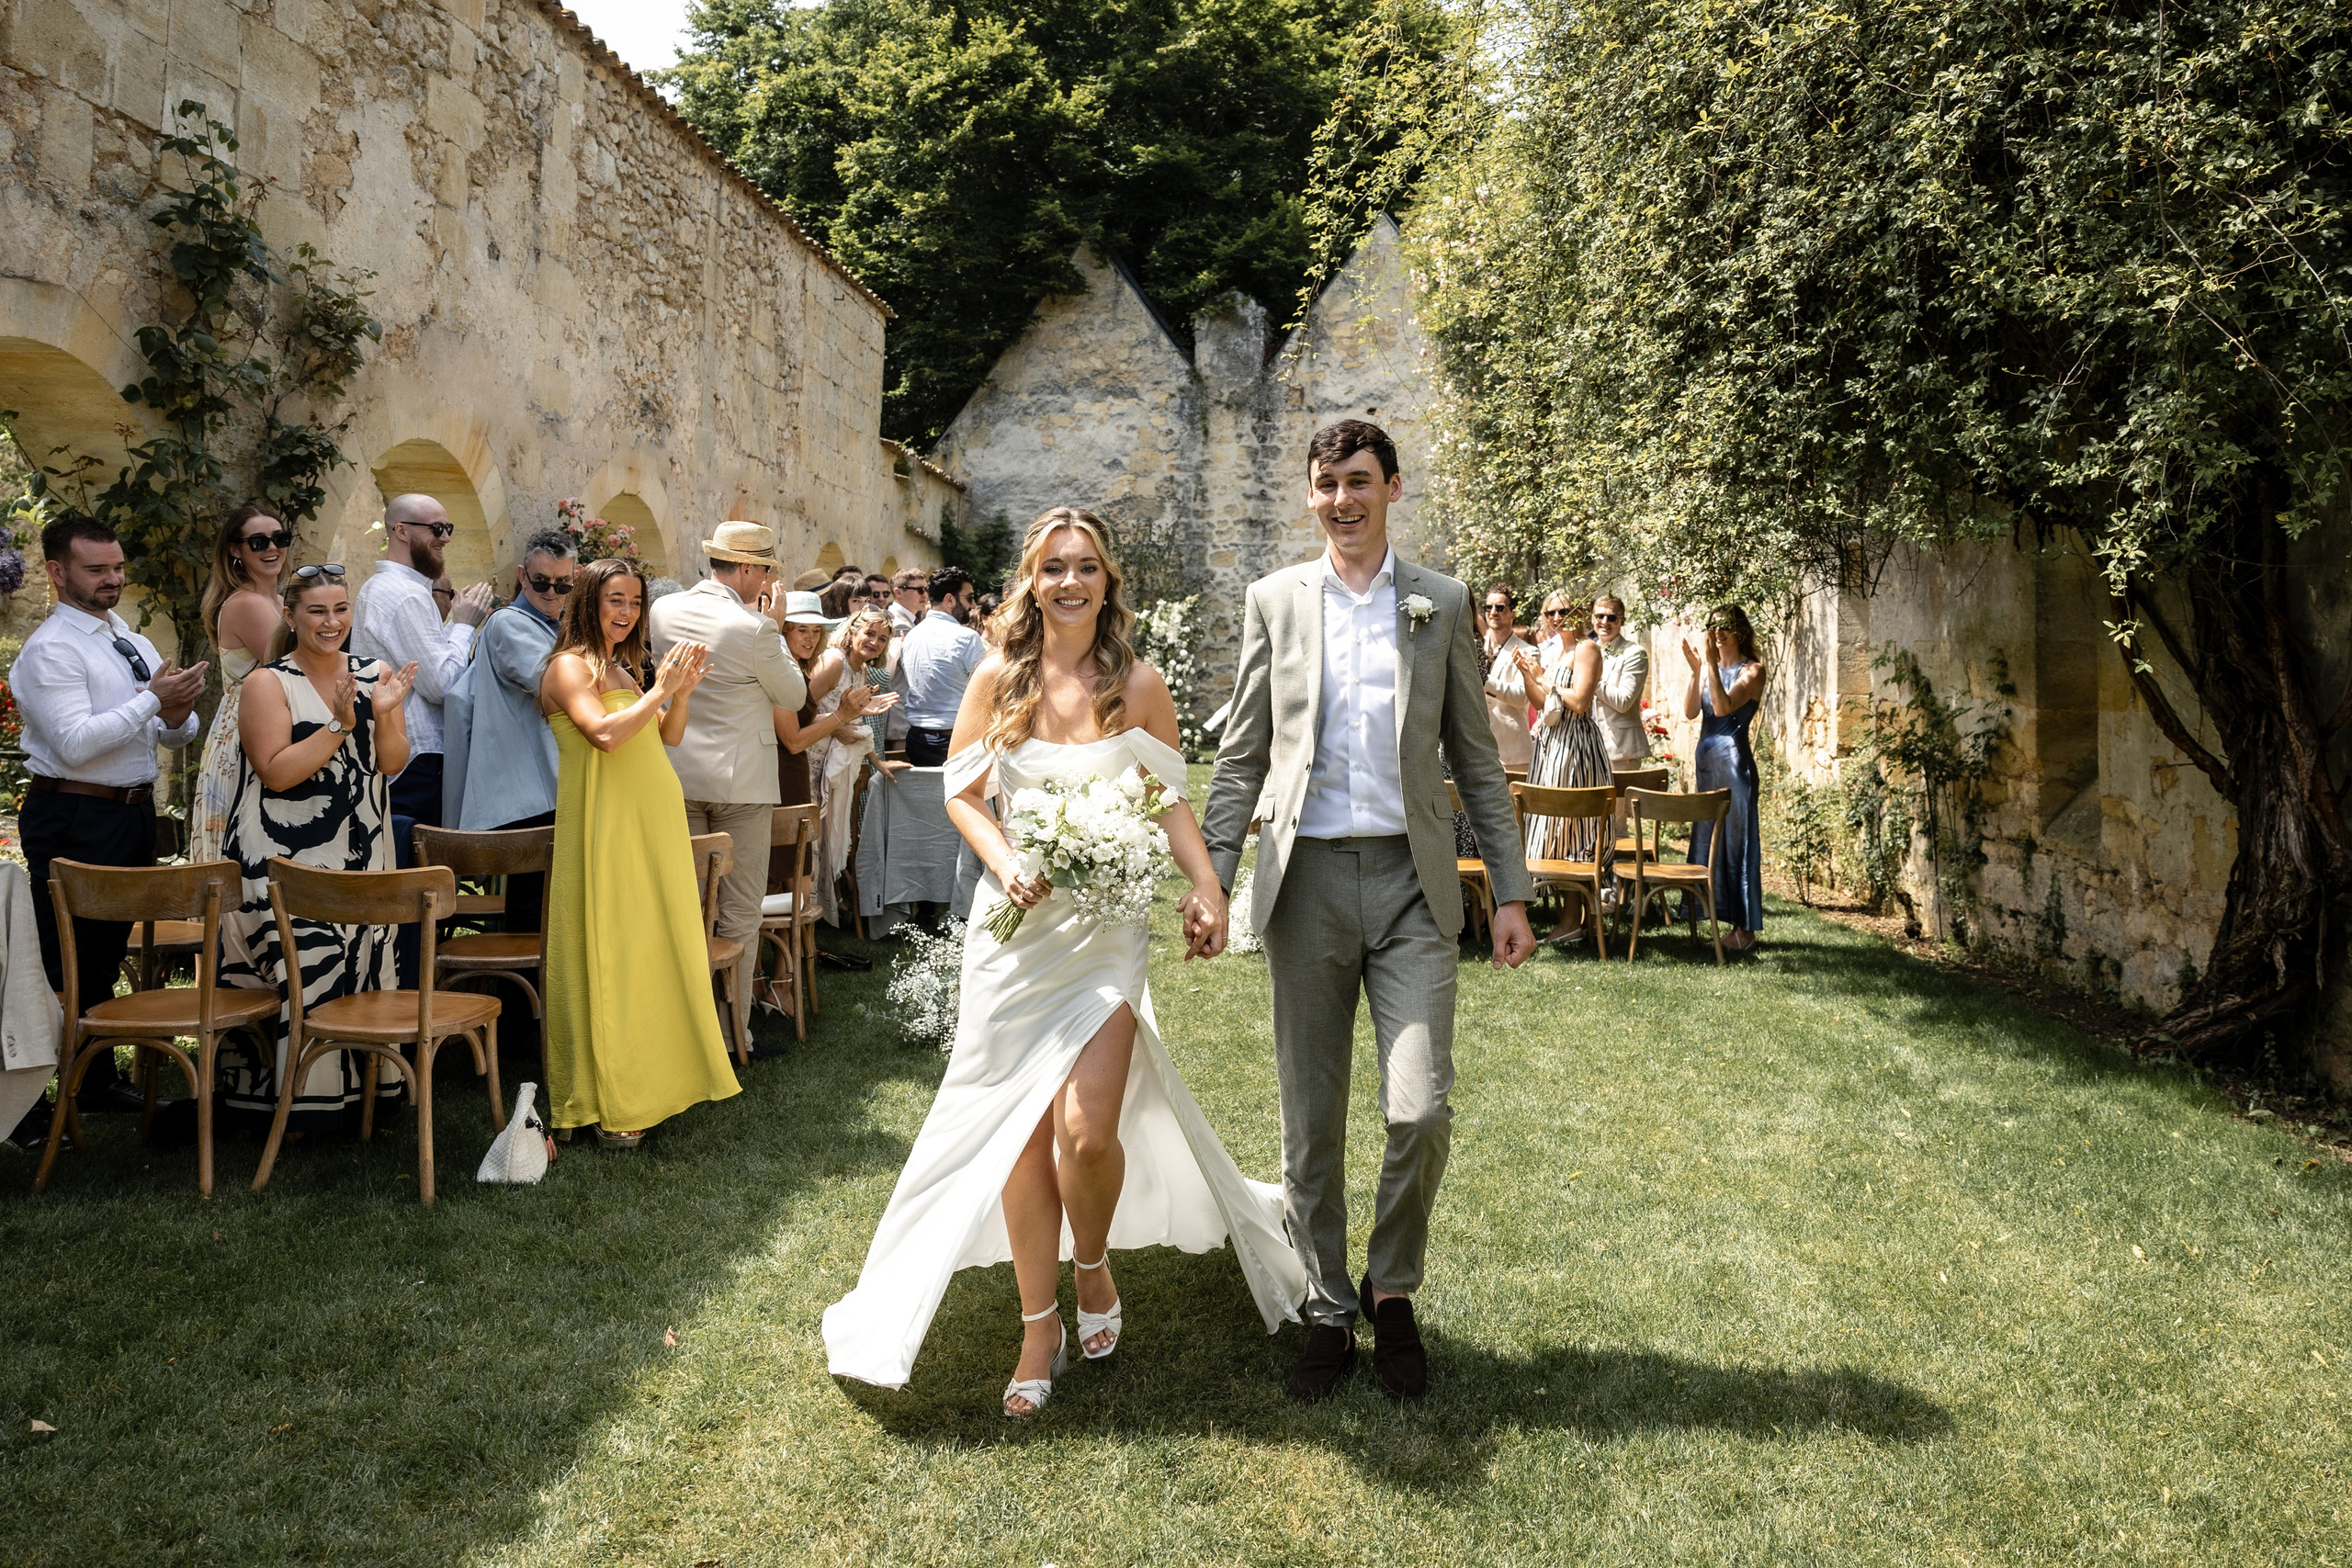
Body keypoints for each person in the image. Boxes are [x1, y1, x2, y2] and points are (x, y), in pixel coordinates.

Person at [822, 507, 1306, 1413]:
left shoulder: (1139, 685)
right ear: (1031, 582)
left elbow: (1167, 799)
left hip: (1104, 939)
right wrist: (1003, 858)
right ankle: (1037, 1325)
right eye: (1053, 568)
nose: (1070, 582)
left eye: (1085, 566)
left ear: (1105, 581)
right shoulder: (997, 679)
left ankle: (1093, 1264)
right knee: (1015, 1132)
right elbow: (963, 792)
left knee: (1086, 1133)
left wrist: (1208, 889)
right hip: (1014, 935)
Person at [1203, 420, 1536, 1404]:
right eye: (1325, 485)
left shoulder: (1439, 602)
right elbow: (1242, 757)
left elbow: (1475, 761)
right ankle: (1325, 1305)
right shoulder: (1274, 601)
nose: (1341, 500)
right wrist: (1213, 880)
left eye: (1358, 482)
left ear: (1392, 487)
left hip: (1411, 887)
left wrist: (1509, 892)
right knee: (1311, 1119)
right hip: (1302, 883)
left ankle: (1391, 1287)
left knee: (1418, 1106)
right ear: (1310, 496)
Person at [10, 513, 205, 1116]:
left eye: (117, 566)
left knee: (102, 957)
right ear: (56, 571)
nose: (112, 578)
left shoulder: (130, 639)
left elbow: (171, 735)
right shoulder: (52, 649)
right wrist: (153, 700)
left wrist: (177, 713)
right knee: (60, 958)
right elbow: (74, 744)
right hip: (72, 811)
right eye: (96, 569)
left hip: (132, 813)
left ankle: (89, 1082)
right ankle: (26, 1099)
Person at [538, 558, 738, 1145]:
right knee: (611, 950)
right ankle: (608, 1100)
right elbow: (603, 735)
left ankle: (651, 1085)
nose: (626, 614)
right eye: (615, 601)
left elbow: (666, 737)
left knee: (650, 947)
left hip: (652, 822)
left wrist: (680, 695)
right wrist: (660, 689)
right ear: (587, 602)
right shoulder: (569, 667)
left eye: (634, 603)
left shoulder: (626, 670)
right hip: (607, 826)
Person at [216, 566, 418, 1134]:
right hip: (281, 853)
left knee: (364, 956)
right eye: (317, 611)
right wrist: (338, 723)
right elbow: (276, 773)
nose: (332, 623)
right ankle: (294, 1104)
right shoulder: (268, 683)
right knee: (307, 960)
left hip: (363, 843)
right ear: (290, 616)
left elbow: (391, 763)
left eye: (340, 610)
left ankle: (363, 1098)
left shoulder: (375, 673)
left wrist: (382, 716)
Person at [647, 521, 808, 1053]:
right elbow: (794, 690)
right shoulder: (755, 627)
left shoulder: (663, 611)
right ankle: (733, 1033)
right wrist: (778, 627)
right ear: (746, 569)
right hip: (742, 783)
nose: (766, 581)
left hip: (676, 770)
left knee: (689, 905)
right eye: (765, 570)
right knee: (739, 908)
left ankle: (680, 1027)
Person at [444, 528, 578, 940]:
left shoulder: (555, 627)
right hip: (526, 800)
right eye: (541, 582)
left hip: (543, 794)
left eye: (563, 583)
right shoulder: (509, 623)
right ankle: (519, 1004)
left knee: (546, 915)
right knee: (531, 920)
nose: (551, 592)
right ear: (522, 577)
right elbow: (554, 686)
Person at [351, 493, 494, 840]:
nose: (445, 537)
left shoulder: (390, 588)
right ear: (401, 531)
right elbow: (442, 684)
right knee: (422, 876)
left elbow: (427, 666)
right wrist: (462, 624)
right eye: (436, 528)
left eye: (448, 528)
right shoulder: (406, 594)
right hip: (416, 759)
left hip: (401, 756)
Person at [189, 503, 289, 863]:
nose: (272, 548)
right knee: (251, 850)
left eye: (279, 538)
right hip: (252, 732)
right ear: (235, 550)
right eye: (258, 542)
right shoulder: (247, 603)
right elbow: (293, 671)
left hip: (268, 728)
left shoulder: (278, 601)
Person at [1515, 595, 1611, 942]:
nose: (1559, 616)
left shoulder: (1588, 649)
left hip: (1575, 747)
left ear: (1581, 612)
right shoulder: (1553, 650)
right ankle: (1570, 920)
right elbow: (1543, 703)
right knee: (1555, 827)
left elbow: (1580, 702)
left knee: (1573, 827)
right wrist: (1528, 674)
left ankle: (1574, 920)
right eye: (1551, 612)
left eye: (1566, 610)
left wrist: (1542, 676)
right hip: (1550, 744)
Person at [1683, 604, 1766, 952]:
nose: (1718, 633)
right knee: (1710, 842)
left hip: (1734, 768)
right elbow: (1690, 711)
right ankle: (1715, 920)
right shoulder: (1709, 669)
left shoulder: (1753, 670)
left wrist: (1710, 667)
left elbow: (1722, 708)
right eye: (1713, 627)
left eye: (1726, 627)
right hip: (1707, 768)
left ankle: (1743, 932)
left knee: (1736, 845)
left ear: (1740, 630)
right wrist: (1696, 671)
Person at [811, 606, 900, 923]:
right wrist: (840, 727)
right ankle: (808, 916)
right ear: (853, 633)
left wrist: (877, 761)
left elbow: (845, 716)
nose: (874, 642)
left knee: (824, 839)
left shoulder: (859, 668)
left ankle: (820, 912)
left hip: (829, 761)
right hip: (811, 759)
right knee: (811, 841)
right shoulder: (834, 661)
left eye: (882, 639)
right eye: (870, 634)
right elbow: (799, 708)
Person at [893, 566, 984, 766]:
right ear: (950, 600)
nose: (973, 605)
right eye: (969, 598)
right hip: (956, 739)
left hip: (917, 740)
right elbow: (985, 691)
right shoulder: (967, 637)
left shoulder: (911, 636)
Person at [1477, 582, 1536, 770]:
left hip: (1513, 752)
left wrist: (1484, 681)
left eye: (1500, 608)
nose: (1493, 612)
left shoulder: (1529, 652)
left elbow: (1521, 697)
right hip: (1476, 749)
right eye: (1489, 607)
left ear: (1513, 613)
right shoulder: (1472, 645)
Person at [1590, 594, 1650, 764]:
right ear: (1592, 618)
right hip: (1588, 747)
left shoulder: (1635, 653)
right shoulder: (1586, 650)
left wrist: (1589, 678)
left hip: (1621, 750)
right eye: (1600, 616)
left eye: (1612, 618)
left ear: (1621, 621)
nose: (1605, 622)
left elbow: (1623, 701)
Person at [888, 567, 929, 635]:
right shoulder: (900, 626)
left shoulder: (910, 620)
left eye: (926, 589)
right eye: (920, 590)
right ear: (898, 593)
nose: (925, 595)